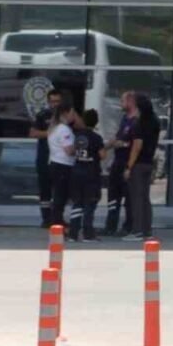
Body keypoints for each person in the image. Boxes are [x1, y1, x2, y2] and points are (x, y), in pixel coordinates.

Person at [124, 94, 161, 242]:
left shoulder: (139, 124)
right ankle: (147, 230)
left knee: (137, 198)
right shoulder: (155, 122)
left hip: (138, 165)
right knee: (145, 198)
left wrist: (129, 166)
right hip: (149, 163)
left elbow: (137, 146)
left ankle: (137, 230)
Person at [69, 109, 105, 243]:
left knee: (77, 203)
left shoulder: (78, 136)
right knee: (90, 203)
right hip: (91, 174)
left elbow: (72, 151)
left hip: (77, 171)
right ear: (96, 122)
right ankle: (88, 233)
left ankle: (73, 233)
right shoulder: (96, 138)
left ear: (83, 121)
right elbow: (102, 155)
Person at [28, 89, 62, 228]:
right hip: (44, 157)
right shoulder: (42, 115)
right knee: (45, 189)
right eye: (53, 101)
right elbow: (33, 133)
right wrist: (51, 133)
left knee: (60, 189)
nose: (55, 104)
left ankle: (58, 218)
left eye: (58, 101)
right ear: (48, 102)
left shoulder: (66, 116)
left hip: (61, 158)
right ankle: (46, 218)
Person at [105, 92, 137, 236]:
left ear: (130, 101)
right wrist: (106, 146)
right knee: (113, 194)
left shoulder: (137, 121)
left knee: (129, 197)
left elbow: (135, 144)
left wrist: (122, 144)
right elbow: (118, 137)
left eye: (122, 100)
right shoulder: (125, 118)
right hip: (118, 161)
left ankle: (128, 226)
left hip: (128, 162)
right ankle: (110, 226)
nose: (120, 103)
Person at [47, 93, 77, 232]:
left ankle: (56, 221)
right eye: (72, 113)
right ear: (66, 113)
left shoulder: (55, 128)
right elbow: (69, 150)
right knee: (61, 196)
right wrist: (79, 148)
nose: (73, 116)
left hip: (55, 163)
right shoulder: (64, 130)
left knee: (59, 195)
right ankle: (57, 222)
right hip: (63, 166)